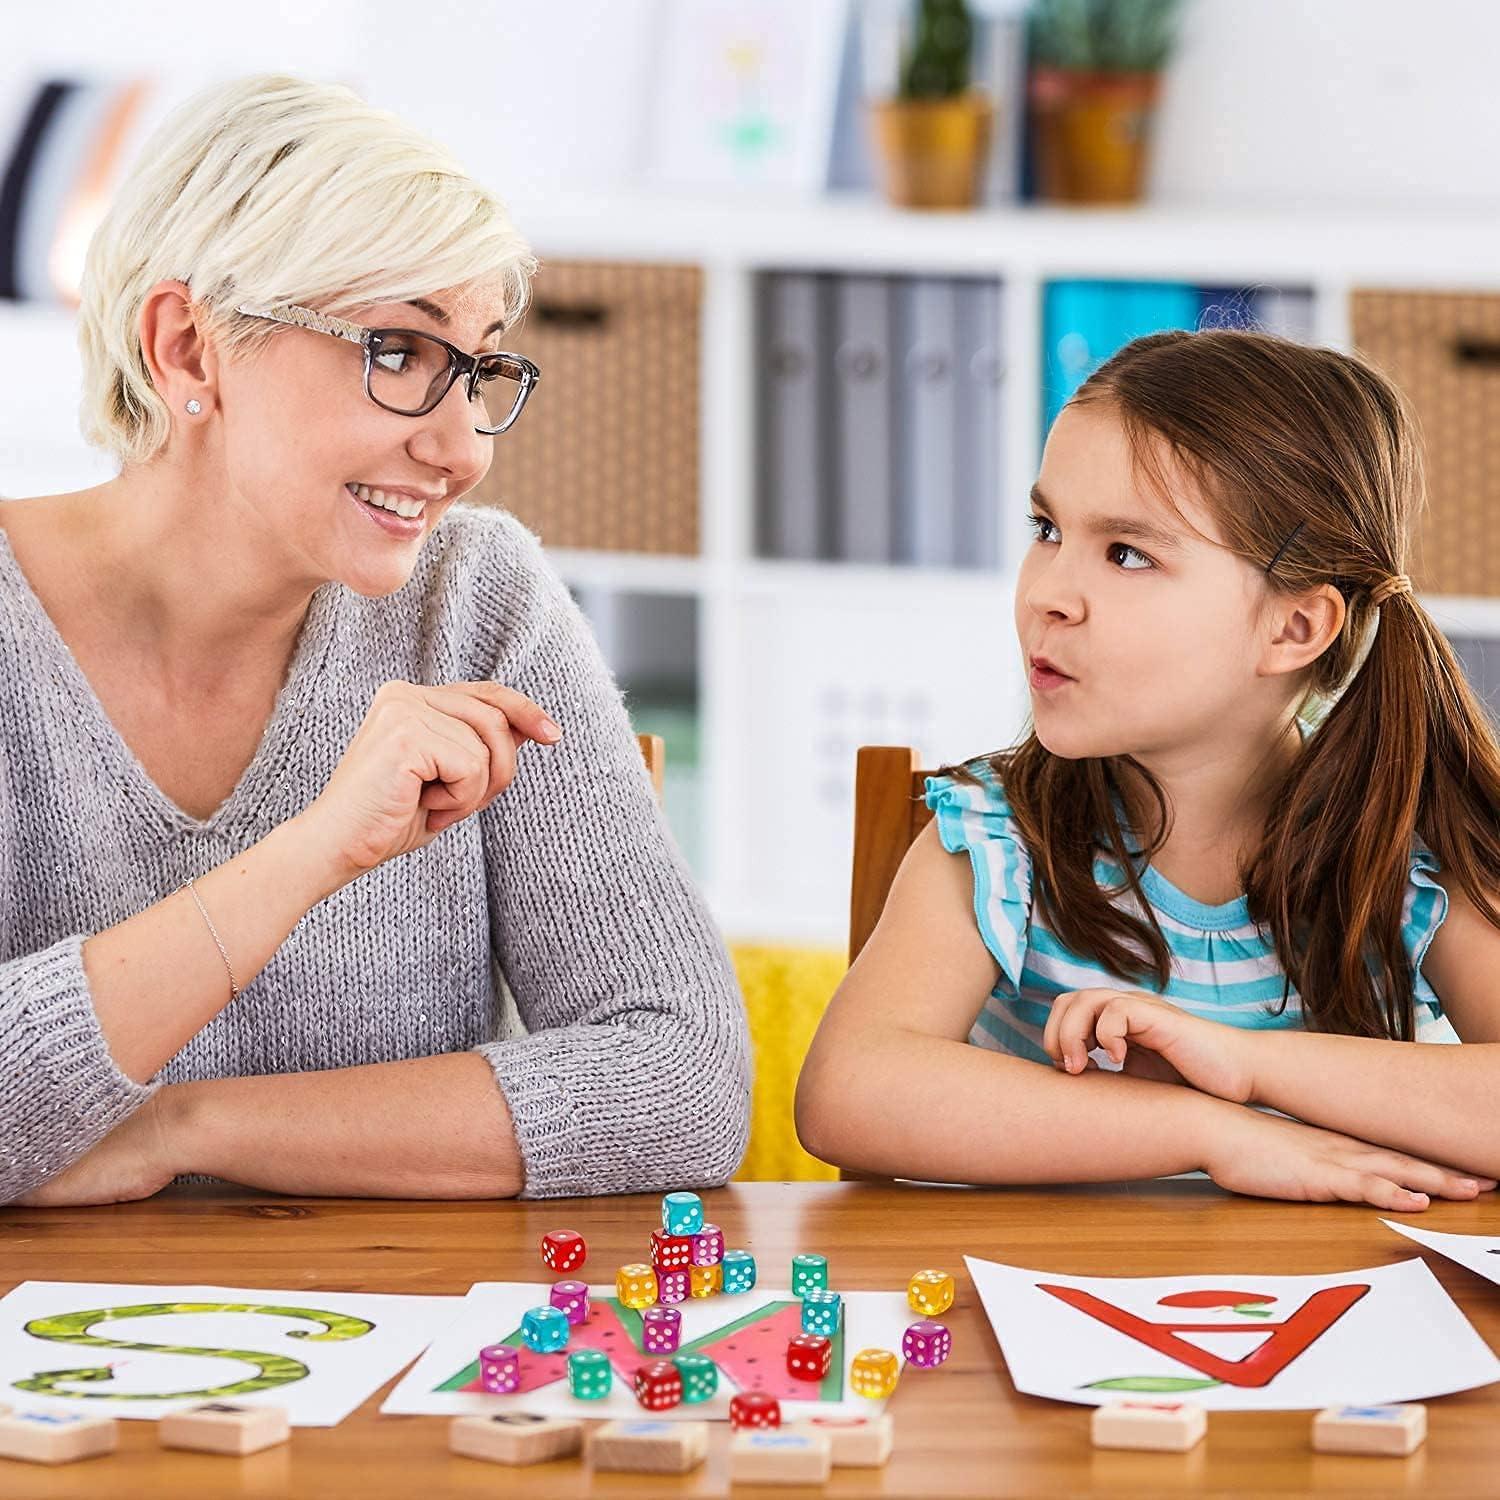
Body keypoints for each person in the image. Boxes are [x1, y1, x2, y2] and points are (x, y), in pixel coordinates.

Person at [0, 73, 749, 1206]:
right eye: (399, 352)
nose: (462, 450)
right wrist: (313, 852)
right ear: (189, 351)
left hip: (391, 1355)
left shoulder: (476, 602)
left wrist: (180, 1129)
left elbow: (682, 1084)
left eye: (483, 366)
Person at [797, 327, 1500, 1210]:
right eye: (1047, 529)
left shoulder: (1408, 848)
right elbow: (846, 1093)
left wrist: (1244, 1065)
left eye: (1127, 553)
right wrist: (1212, 1131)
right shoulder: (994, 839)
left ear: (1294, 628)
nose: (1048, 591)